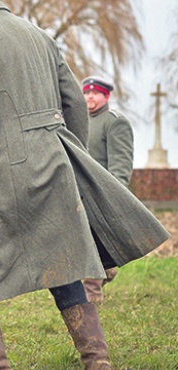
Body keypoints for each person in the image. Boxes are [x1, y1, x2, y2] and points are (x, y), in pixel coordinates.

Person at [0, 0, 168, 369]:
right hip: (52, 164)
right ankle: (98, 361)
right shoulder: (37, 34)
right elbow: (74, 101)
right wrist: (62, 154)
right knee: (63, 261)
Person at [82, 76, 134, 304]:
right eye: (87, 93)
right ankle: (108, 267)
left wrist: (114, 195)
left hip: (101, 195)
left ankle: (92, 295)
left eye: (95, 93)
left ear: (106, 96)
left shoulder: (115, 122)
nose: (90, 97)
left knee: (93, 241)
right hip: (80, 193)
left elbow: (120, 165)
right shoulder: (81, 121)